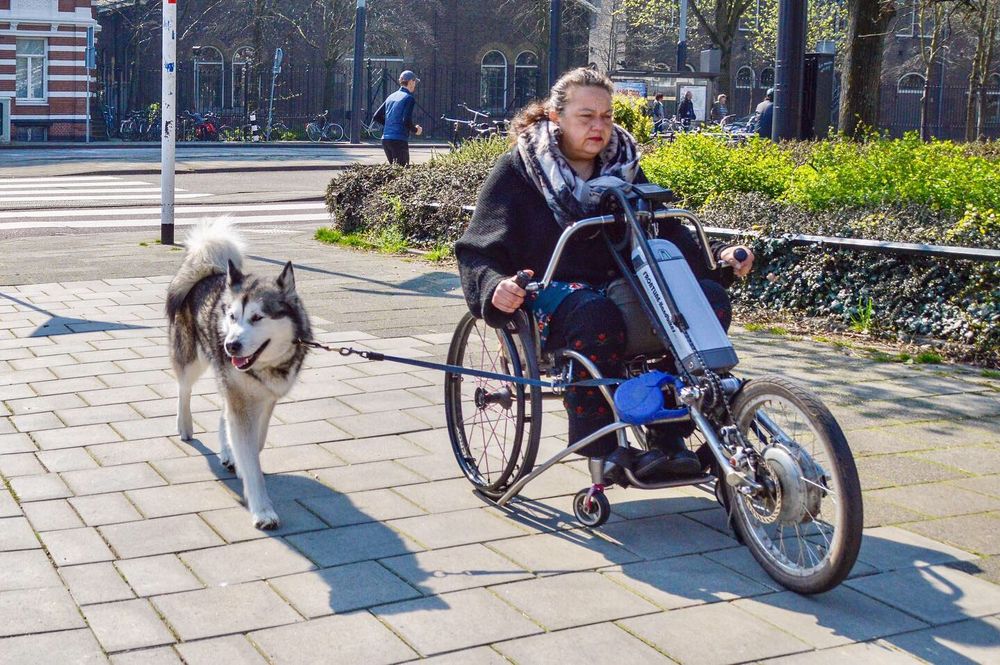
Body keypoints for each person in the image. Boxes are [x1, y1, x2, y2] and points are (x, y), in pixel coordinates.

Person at [455, 67, 754, 481]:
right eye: (586, 116)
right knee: (595, 315)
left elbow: (663, 229)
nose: (600, 127)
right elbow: (478, 247)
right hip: (552, 290)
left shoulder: (625, 166)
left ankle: (670, 435)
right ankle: (603, 445)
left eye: (607, 116)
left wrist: (718, 258)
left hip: (625, 285)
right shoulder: (518, 170)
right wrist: (494, 287)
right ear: (556, 118)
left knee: (705, 301)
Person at [373, 70, 423, 166]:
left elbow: (376, 116)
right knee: (403, 172)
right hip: (399, 140)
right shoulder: (409, 98)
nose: (415, 85)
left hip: (386, 140)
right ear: (411, 82)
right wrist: (416, 130)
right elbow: (406, 121)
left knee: (395, 172)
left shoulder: (391, 97)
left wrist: (390, 124)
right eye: (415, 82)